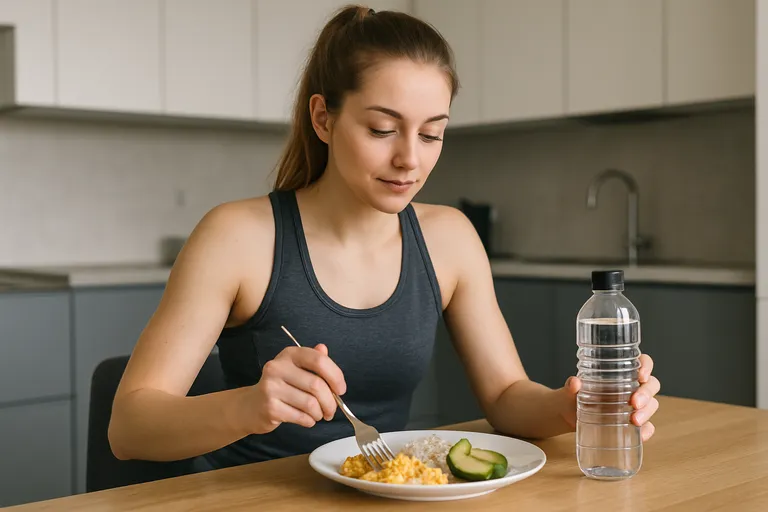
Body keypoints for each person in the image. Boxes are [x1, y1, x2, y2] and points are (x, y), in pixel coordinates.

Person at [108, 4, 661, 472]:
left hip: (385, 495)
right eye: (382, 129)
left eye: (432, 133)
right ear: (323, 119)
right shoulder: (238, 238)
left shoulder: (449, 239)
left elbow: (504, 396)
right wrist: (251, 406)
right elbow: (128, 428)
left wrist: (572, 407)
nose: (409, 159)